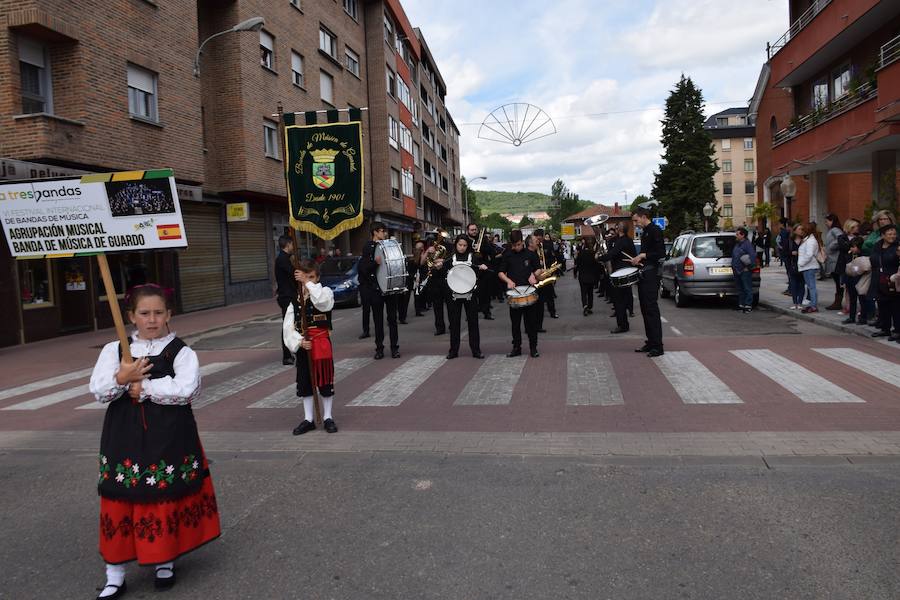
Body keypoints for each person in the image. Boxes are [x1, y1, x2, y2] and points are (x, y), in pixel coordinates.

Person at [90, 285, 220, 599]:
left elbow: (187, 389)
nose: (152, 320)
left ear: (169, 315)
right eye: (144, 313)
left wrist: (143, 388)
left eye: (158, 313)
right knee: (121, 495)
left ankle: (164, 560)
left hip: (169, 436)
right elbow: (98, 390)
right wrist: (122, 378)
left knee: (164, 495)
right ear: (131, 316)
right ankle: (115, 574)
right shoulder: (115, 350)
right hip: (124, 435)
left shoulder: (181, 351)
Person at [283, 259, 338, 434]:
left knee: (325, 381)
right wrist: (299, 341)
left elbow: (323, 303)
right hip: (305, 346)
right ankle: (309, 419)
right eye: (305, 277)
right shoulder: (295, 301)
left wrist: (307, 282)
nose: (309, 281)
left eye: (312, 277)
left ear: (317, 278)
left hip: (321, 343)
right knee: (305, 382)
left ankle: (328, 416)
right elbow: (288, 327)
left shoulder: (325, 292)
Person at [358, 222, 400, 359]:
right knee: (378, 320)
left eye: (385, 231)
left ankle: (394, 348)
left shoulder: (389, 245)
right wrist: (374, 263)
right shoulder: (368, 247)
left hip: (389, 287)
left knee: (392, 319)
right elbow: (363, 269)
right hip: (376, 288)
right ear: (375, 232)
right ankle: (379, 348)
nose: (385, 234)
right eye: (382, 231)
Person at [498, 229, 543, 358]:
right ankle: (516, 348)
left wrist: (534, 275)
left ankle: (533, 348)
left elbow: (539, 269)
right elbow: (500, 272)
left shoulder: (530, 254)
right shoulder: (507, 255)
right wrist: (508, 280)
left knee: (531, 323)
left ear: (522, 242)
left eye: (518, 244)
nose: (516, 247)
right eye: (513, 245)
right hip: (515, 293)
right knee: (515, 324)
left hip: (529, 291)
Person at [629, 207, 665, 357]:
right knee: (645, 309)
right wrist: (637, 260)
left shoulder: (655, 230)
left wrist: (643, 255)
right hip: (644, 273)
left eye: (636, 220)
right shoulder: (645, 232)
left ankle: (658, 346)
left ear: (644, 217)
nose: (635, 224)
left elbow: (661, 253)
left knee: (651, 310)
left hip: (652, 275)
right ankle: (651, 342)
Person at [443, 235, 486, 359]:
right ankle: (453, 351)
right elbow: (443, 274)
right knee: (454, 323)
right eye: (459, 245)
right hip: (454, 295)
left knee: (473, 323)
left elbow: (479, 275)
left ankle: (476, 350)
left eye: (464, 245)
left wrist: (482, 268)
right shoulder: (450, 258)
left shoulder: (473, 258)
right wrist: (440, 267)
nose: (462, 248)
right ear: (455, 245)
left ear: (468, 246)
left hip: (470, 294)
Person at [600, 222, 637, 331]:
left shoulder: (620, 242)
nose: (615, 230)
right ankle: (625, 322)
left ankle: (622, 325)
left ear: (619, 230)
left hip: (619, 273)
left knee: (618, 301)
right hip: (627, 272)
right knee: (624, 297)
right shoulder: (629, 240)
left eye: (616, 228)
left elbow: (612, 254)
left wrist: (599, 258)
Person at [870, 223, 900, 340]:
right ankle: (885, 328)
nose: (892, 236)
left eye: (894, 234)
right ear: (883, 235)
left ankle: (898, 330)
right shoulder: (877, 246)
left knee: (895, 306)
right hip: (879, 279)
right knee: (882, 304)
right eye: (889, 234)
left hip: (893, 280)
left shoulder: (897, 247)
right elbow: (873, 259)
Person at [274, 235, 297, 366]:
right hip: (287, 297)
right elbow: (293, 274)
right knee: (287, 325)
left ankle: (290, 352)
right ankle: (287, 355)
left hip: (288, 295)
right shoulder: (282, 260)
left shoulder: (285, 258)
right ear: (287, 245)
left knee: (291, 324)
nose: (293, 247)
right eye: (292, 244)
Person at [466, 222, 496, 320]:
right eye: (472, 230)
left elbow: (492, 251)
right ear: (468, 231)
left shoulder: (483, 239)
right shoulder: (465, 240)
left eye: (475, 229)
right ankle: (470, 314)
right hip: (471, 269)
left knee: (486, 293)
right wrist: (472, 249)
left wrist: (481, 247)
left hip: (484, 269)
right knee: (471, 294)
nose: (474, 231)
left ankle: (487, 313)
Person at [423, 233, 451, 336]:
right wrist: (427, 251)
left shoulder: (447, 247)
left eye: (436, 238)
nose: (435, 241)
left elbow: (452, 259)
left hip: (446, 279)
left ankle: (452, 326)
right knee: (437, 306)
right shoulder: (429, 249)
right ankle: (440, 328)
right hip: (434, 280)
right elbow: (422, 262)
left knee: (450, 305)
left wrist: (442, 260)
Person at [839, 219, 863, 324]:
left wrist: (857, 247)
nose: (857, 229)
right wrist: (852, 242)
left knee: (861, 293)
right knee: (851, 293)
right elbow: (843, 247)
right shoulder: (842, 237)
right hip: (847, 268)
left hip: (858, 267)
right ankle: (851, 316)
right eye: (854, 227)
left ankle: (863, 316)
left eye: (857, 226)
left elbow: (862, 250)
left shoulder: (860, 238)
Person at [534, 229, 559, 321]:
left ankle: (552, 312)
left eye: (539, 238)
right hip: (536, 274)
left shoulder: (547, 244)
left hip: (546, 272)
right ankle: (537, 314)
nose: (538, 240)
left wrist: (548, 267)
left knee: (550, 294)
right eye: (536, 238)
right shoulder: (532, 246)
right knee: (538, 295)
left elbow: (552, 258)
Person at [798, 222, 821, 313]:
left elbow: (809, 254)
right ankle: (813, 304)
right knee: (811, 286)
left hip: (809, 266)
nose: (802, 232)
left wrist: (801, 263)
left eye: (803, 230)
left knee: (811, 287)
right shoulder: (808, 239)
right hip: (807, 266)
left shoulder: (811, 240)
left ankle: (814, 305)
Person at [573, 237, 600, 316]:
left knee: (583, 292)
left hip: (582, 275)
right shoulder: (593, 253)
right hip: (591, 276)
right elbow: (596, 265)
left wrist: (575, 273)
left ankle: (585, 305)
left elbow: (577, 264)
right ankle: (589, 307)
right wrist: (597, 276)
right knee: (590, 292)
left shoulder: (580, 253)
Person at [732, 226, 756, 313]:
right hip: (737, 270)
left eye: (738, 234)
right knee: (740, 288)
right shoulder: (738, 244)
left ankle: (748, 306)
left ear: (743, 235)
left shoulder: (747, 244)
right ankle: (741, 305)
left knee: (747, 288)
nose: (736, 236)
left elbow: (752, 256)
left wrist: (748, 267)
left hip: (744, 270)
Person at [823, 214, 843, 310]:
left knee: (838, 281)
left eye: (827, 221)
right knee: (837, 281)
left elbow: (840, 239)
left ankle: (838, 302)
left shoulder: (835, 230)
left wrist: (830, 247)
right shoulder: (832, 230)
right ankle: (837, 301)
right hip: (832, 258)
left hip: (835, 258)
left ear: (832, 221)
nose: (826, 223)